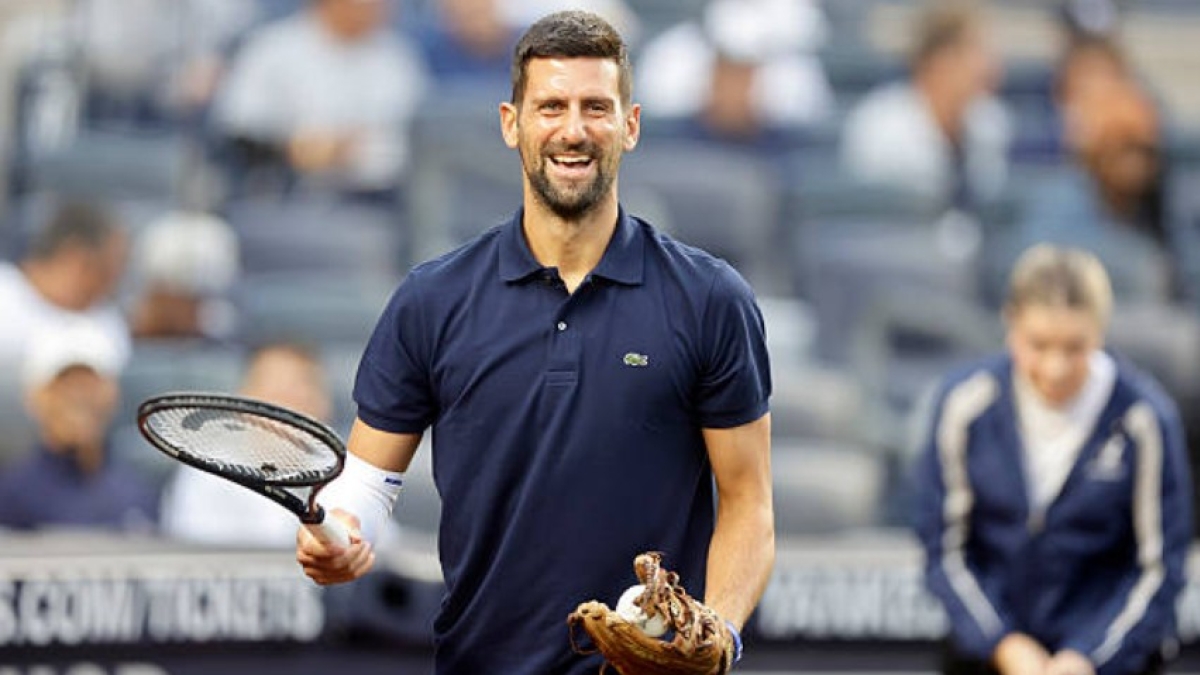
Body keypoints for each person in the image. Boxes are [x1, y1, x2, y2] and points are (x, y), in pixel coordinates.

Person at [297, 10, 775, 674]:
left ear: (629, 125)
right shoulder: (432, 299)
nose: (573, 130)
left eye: (595, 108)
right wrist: (344, 534)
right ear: (510, 123)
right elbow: (368, 486)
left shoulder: (710, 299)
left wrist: (717, 632)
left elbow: (749, 501)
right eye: (550, 106)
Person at [911, 244, 1191, 675]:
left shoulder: (1144, 419)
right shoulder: (964, 406)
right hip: (990, 660)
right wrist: (1003, 643)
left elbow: (1160, 568)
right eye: (1038, 345)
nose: (1055, 368)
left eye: (1074, 347)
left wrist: (1087, 657)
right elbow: (944, 550)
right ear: (1011, 325)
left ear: (1100, 331)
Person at [211, 0, 429, 201]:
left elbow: (426, 134)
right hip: (293, 196)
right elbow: (235, 135)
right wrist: (290, 149)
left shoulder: (398, 55)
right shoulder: (272, 49)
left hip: (389, 196)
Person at [839, 0, 1010, 212]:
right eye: (976, 52)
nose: (990, 67)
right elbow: (869, 220)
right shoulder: (881, 125)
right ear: (939, 59)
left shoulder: (990, 123)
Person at [159, 341, 334, 547]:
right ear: (244, 400)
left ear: (324, 404)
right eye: (277, 394)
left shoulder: (351, 475)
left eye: (302, 392)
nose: (290, 409)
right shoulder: (206, 474)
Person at [0, 323, 157, 532]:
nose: (79, 396)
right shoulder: (10, 494)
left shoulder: (137, 490)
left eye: (91, 383)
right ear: (35, 397)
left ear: (113, 394)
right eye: (64, 383)